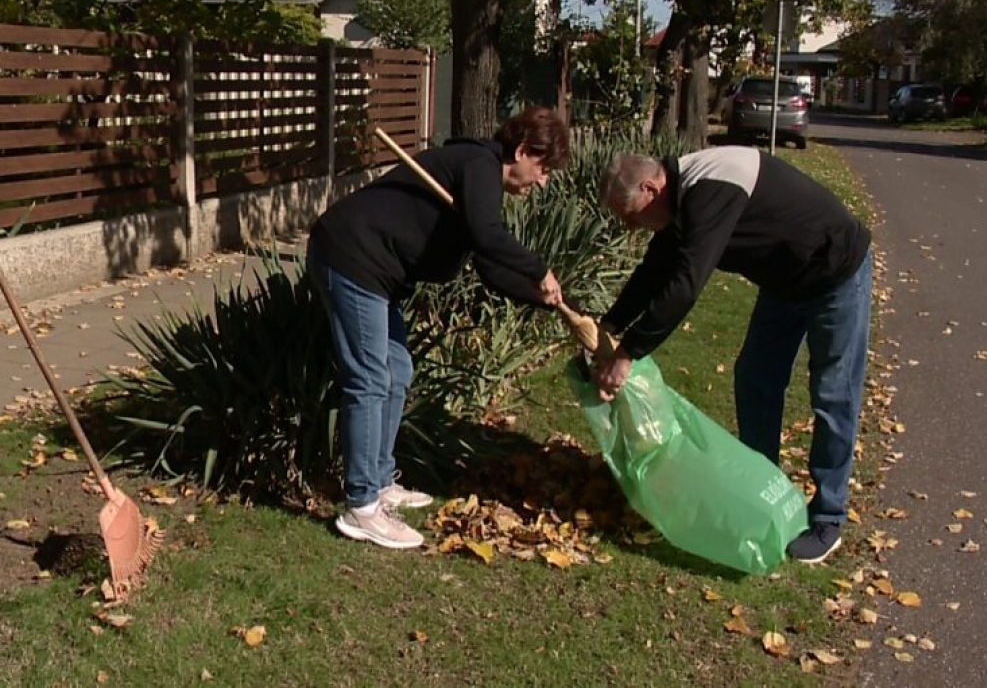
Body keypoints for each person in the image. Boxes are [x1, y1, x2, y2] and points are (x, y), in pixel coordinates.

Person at [592, 146, 872, 564]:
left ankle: (828, 516)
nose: (631, 227)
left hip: (834, 271)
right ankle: (764, 487)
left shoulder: (710, 189)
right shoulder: (680, 197)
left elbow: (687, 282)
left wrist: (629, 352)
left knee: (833, 394)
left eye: (631, 215)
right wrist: (610, 325)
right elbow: (656, 270)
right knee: (756, 377)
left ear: (652, 188)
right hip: (785, 281)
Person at [307, 106, 570, 549]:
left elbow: (488, 267)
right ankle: (362, 506)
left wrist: (544, 298)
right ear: (523, 151)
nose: (542, 181)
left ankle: (379, 480)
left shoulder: (477, 179)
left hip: (377, 274)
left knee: (397, 371)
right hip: (352, 258)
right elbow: (488, 236)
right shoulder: (480, 165)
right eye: (542, 169)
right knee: (370, 378)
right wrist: (538, 267)